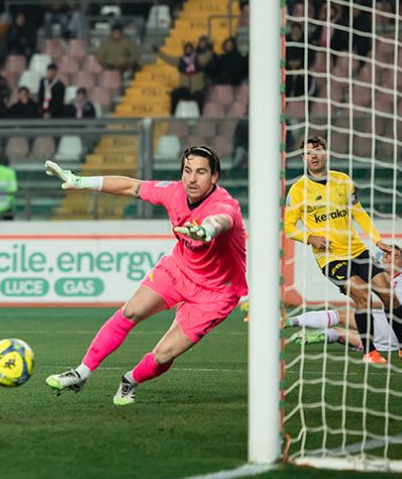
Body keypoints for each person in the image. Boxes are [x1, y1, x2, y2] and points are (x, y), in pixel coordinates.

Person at [43, 146, 248, 405]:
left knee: (163, 355)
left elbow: (222, 220)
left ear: (214, 177)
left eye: (200, 172)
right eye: (187, 171)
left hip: (217, 292)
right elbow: (132, 187)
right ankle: (81, 372)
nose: (192, 179)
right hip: (180, 269)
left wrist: (207, 230)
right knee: (130, 311)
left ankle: (130, 380)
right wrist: (81, 181)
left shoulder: (224, 204)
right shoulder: (174, 192)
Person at [283, 136, 402, 363]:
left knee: (388, 294)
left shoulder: (343, 181)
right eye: (307, 153)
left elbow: (359, 213)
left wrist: (378, 241)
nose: (313, 156)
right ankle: (369, 351)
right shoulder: (297, 191)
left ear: (326, 154)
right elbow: (288, 228)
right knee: (363, 296)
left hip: (357, 251)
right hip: (331, 259)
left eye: (317, 150)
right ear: (302, 159)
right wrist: (310, 238)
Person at [288, 244, 402, 354]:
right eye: (387, 256)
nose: (390, 259)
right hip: (391, 342)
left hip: (396, 329)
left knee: (340, 316)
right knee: (341, 333)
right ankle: (322, 335)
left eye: (396, 257)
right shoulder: (378, 280)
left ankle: (291, 321)